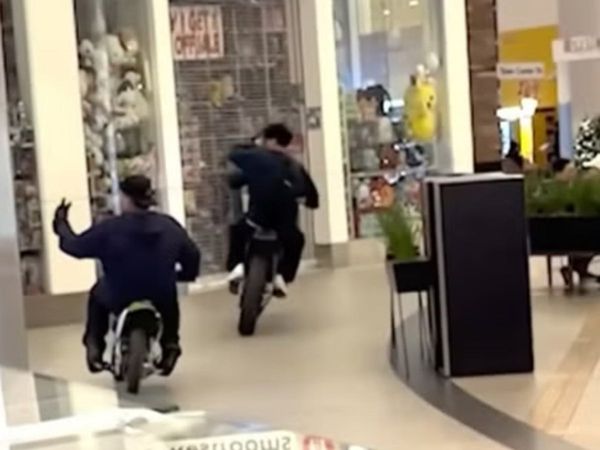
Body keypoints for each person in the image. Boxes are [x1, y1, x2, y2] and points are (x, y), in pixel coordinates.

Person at [53, 175, 201, 375]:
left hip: (119, 293)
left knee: (97, 295)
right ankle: (170, 346)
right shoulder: (169, 226)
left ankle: (94, 346)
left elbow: (74, 246)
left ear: (125, 198)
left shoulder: (110, 229)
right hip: (159, 294)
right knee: (169, 299)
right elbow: (192, 255)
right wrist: (185, 275)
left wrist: (61, 225)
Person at [226, 123, 319, 297]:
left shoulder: (255, 159)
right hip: (284, 226)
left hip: (256, 219)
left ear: (271, 140)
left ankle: (237, 265)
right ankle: (282, 277)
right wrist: (304, 199)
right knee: (296, 241)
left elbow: (234, 178)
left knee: (238, 229)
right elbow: (311, 197)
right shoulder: (294, 166)